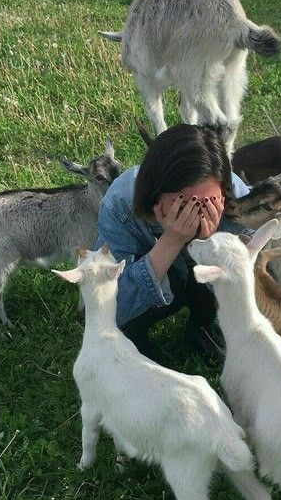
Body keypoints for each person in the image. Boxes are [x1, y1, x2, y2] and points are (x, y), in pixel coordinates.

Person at [95, 124, 250, 360]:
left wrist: (211, 245)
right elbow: (108, 304)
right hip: (159, 280)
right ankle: (135, 341)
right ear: (156, 193)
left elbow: (257, 283)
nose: (194, 215)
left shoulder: (237, 197)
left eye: (206, 203)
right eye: (183, 204)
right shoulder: (119, 204)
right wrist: (170, 242)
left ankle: (201, 328)